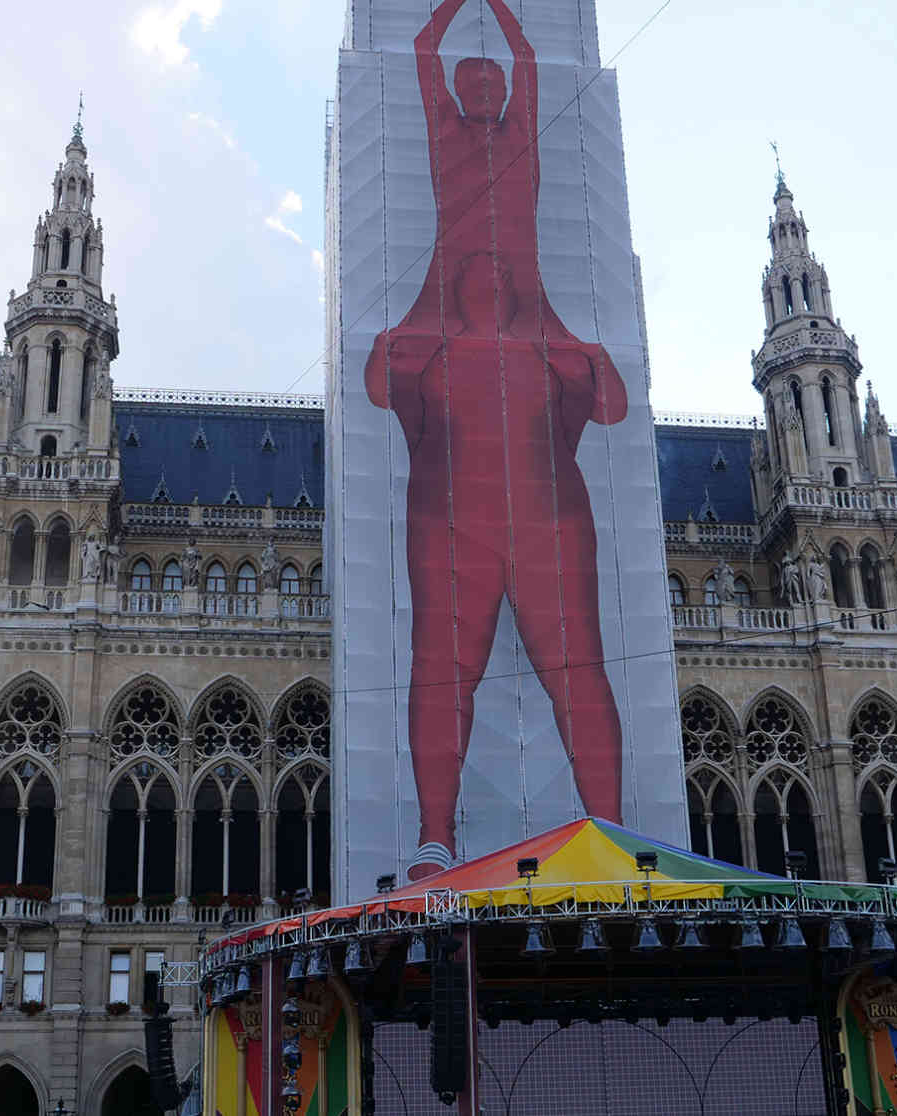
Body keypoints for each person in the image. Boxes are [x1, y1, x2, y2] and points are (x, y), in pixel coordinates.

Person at [367, 0, 628, 880]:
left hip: (545, 503)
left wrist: (511, 24)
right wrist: (457, 8)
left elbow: (614, 406)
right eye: (471, 79)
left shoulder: (525, 139)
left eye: (493, 81)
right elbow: (421, 52)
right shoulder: (444, 136)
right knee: (443, 666)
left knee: (577, 665)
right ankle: (436, 835)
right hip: (454, 505)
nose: (483, 88)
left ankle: (609, 831)